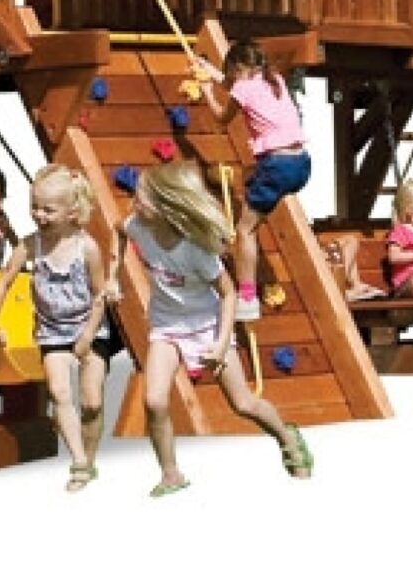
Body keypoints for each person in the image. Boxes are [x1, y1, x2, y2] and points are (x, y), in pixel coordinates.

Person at [111, 161, 313, 496]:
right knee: (154, 401)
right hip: (166, 326)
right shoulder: (137, 226)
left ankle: (287, 437)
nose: (134, 201)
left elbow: (228, 294)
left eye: (141, 197)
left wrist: (220, 344)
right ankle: (171, 474)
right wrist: (112, 275)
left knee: (243, 403)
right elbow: (117, 232)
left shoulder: (195, 251)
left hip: (207, 326)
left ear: (166, 206)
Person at [0, 166, 111, 491]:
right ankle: (79, 463)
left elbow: (100, 295)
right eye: (34, 207)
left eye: (48, 210)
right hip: (53, 331)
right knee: (59, 392)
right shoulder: (30, 246)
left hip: (89, 325)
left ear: (72, 212)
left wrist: (87, 336)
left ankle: (90, 457)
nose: (39, 215)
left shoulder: (87, 248)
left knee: (92, 402)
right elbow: (3, 282)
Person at [188, 40, 312, 321]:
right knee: (250, 175)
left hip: (277, 165)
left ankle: (247, 298)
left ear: (238, 68)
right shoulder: (274, 79)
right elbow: (235, 87)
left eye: (230, 72)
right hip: (301, 163)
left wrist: (207, 91)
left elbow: (222, 117)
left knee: (245, 230)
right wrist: (209, 69)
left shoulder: (243, 88)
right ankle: (248, 291)